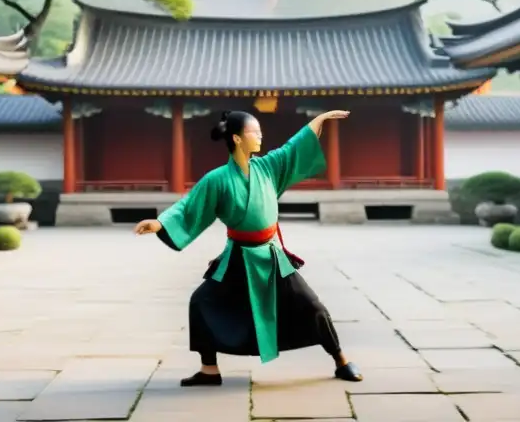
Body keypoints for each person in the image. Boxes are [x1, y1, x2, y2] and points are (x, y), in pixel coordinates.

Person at [134, 109, 363, 387]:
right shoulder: (216, 179)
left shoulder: (268, 167)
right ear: (237, 139)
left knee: (311, 305)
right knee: (201, 302)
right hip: (238, 257)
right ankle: (209, 370)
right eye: (255, 132)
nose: (260, 136)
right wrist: (159, 224)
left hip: (272, 254)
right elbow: (189, 207)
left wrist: (318, 121)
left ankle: (340, 360)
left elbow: (293, 149)